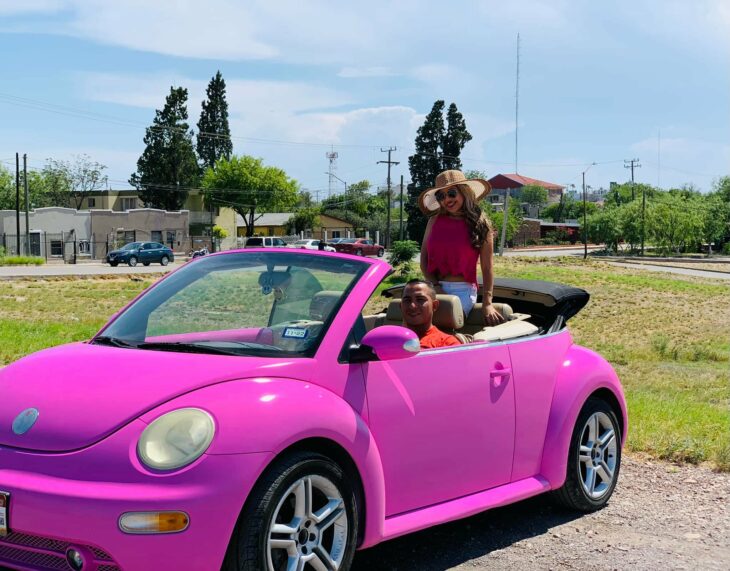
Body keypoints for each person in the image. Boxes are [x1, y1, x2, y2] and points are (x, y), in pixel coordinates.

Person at [419, 170, 505, 326]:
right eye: (441, 196)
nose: (447, 199)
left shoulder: (481, 224)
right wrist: (436, 287)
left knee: (443, 327)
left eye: (452, 193)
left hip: (463, 291)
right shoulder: (433, 220)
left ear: (464, 192)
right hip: (432, 286)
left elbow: (487, 267)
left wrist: (487, 303)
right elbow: (423, 260)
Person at [400, 279, 460, 349]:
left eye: (420, 299)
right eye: (407, 300)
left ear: (434, 306)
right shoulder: (390, 338)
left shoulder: (447, 344)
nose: (412, 306)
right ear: (400, 306)